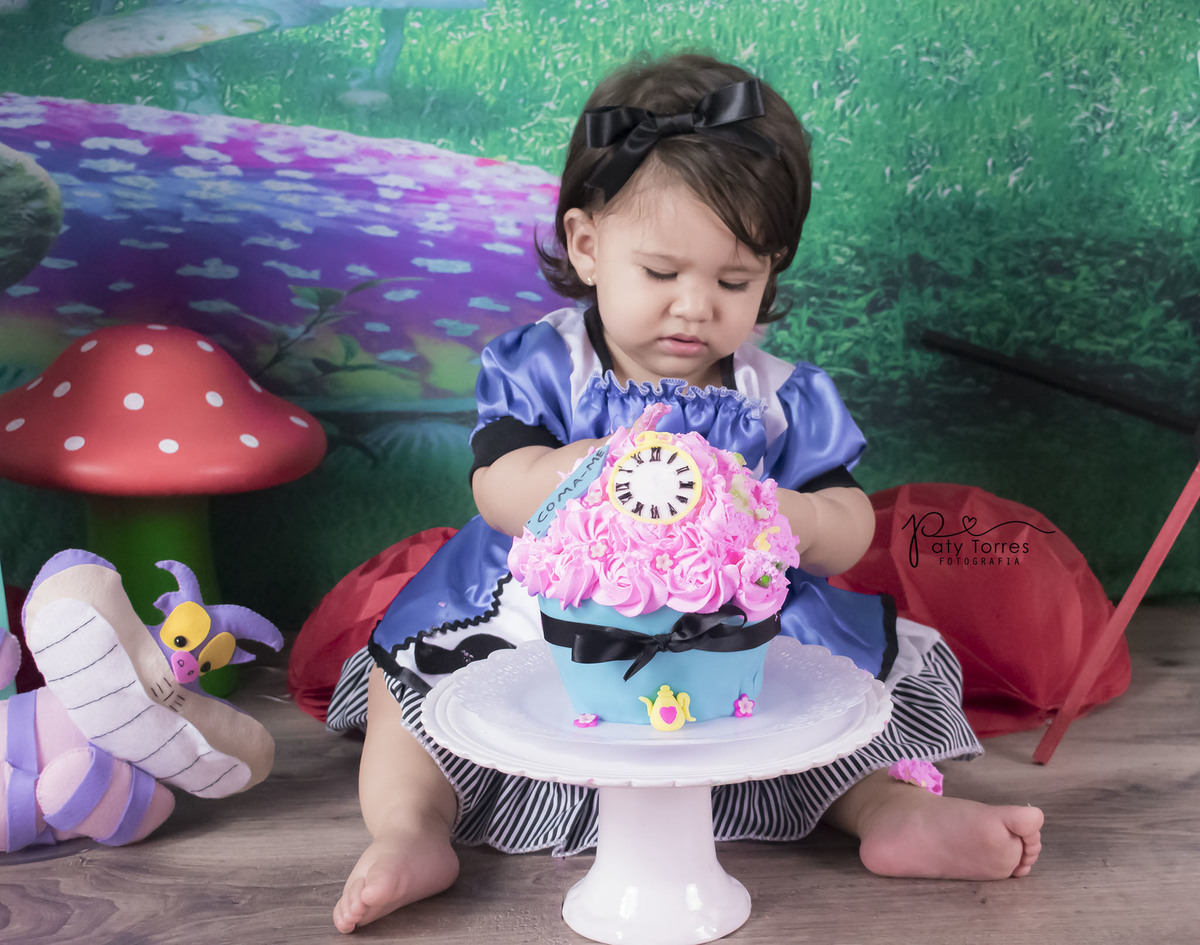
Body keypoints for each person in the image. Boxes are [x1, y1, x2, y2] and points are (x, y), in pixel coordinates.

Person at [326, 52, 1043, 934]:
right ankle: (411, 829)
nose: (696, 307)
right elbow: (498, 486)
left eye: (734, 281)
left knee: (837, 703)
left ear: (770, 271)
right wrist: (591, 468)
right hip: (544, 602)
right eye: (662, 273)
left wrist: (790, 515)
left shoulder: (778, 396)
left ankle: (891, 812)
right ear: (587, 246)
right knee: (412, 691)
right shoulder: (545, 363)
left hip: (736, 618)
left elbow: (851, 520)